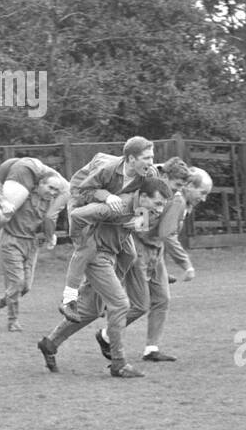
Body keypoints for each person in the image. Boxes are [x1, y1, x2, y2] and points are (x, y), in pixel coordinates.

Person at [36, 174, 172, 379]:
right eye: (158, 203)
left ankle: (50, 343)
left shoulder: (144, 207)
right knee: (120, 305)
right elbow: (76, 216)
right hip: (97, 256)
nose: (160, 210)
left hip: (112, 257)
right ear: (143, 196)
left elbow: (137, 229)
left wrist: (139, 224)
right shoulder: (117, 207)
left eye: (163, 205)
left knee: (91, 310)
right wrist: (83, 244)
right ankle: (118, 363)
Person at [104, 165, 212, 364]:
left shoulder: (178, 200)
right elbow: (166, 234)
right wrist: (186, 264)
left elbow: (153, 229)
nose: (204, 199)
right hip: (140, 252)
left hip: (154, 253)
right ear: (189, 186)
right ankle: (106, 334)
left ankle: (151, 349)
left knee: (162, 299)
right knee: (140, 305)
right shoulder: (176, 200)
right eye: (202, 193)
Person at [58, 137, 157, 319]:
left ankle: (105, 294)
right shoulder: (108, 169)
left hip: (105, 208)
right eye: (146, 158)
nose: (151, 163)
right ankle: (68, 299)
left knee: (129, 255)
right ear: (131, 158)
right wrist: (107, 196)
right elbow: (84, 190)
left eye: (152, 157)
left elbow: (154, 203)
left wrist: (141, 219)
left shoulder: (150, 175)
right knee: (87, 247)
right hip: (80, 197)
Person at [0, 164, 70, 332]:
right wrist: (3, 203)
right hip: (11, 241)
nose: (52, 193)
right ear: (40, 183)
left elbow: (48, 221)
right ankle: (13, 321)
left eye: (56, 191)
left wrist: (49, 236)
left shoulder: (50, 202)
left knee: (26, 287)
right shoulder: (23, 192)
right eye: (50, 188)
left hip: (31, 244)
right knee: (17, 283)